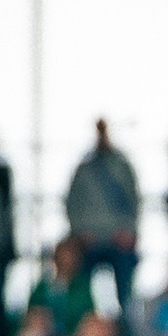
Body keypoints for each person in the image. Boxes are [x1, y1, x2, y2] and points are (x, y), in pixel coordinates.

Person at [66, 119, 141, 304]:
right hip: (89, 240)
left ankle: (125, 317)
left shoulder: (122, 166)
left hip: (119, 237)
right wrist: (80, 233)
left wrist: (128, 231)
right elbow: (72, 203)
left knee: (126, 282)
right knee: (81, 280)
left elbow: (133, 201)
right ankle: (84, 315)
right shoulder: (84, 169)